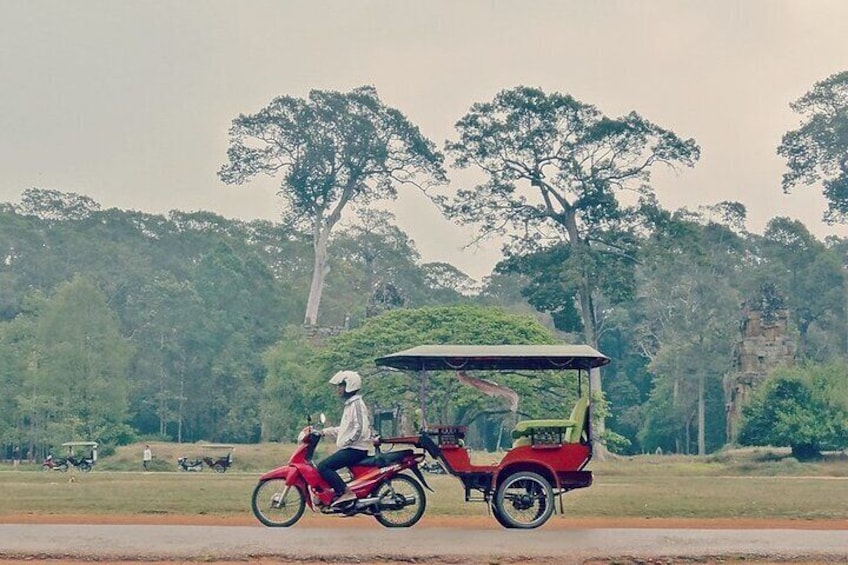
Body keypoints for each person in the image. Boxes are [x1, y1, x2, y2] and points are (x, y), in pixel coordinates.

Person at [317, 370, 373, 507]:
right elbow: (343, 430)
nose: (338, 389)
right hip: (351, 448)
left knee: (323, 466)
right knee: (324, 465)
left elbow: (360, 428)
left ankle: (346, 492)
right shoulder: (350, 405)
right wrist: (323, 432)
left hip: (355, 449)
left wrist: (347, 442)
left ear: (349, 386)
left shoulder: (357, 405)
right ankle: (333, 494)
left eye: (340, 386)